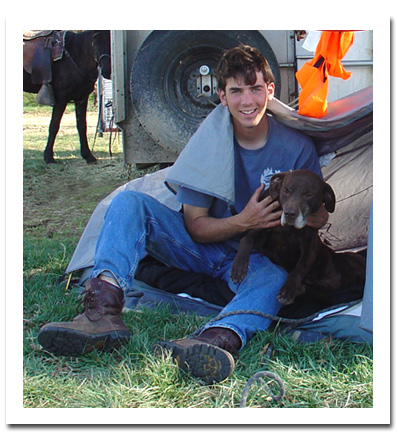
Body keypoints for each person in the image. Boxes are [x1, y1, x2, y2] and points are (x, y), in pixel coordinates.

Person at [38, 45, 328, 384]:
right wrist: (244, 221)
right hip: (201, 247)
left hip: (256, 257)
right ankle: (101, 313)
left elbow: (317, 218)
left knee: (273, 280)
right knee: (128, 203)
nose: (247, 101)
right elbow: (195, 228)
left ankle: (215, 339)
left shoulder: (297, 148)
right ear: (221, 96)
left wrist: (310, 218)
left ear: (270, 90)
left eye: (255, 89)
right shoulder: (209, 141)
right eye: (236, 90)